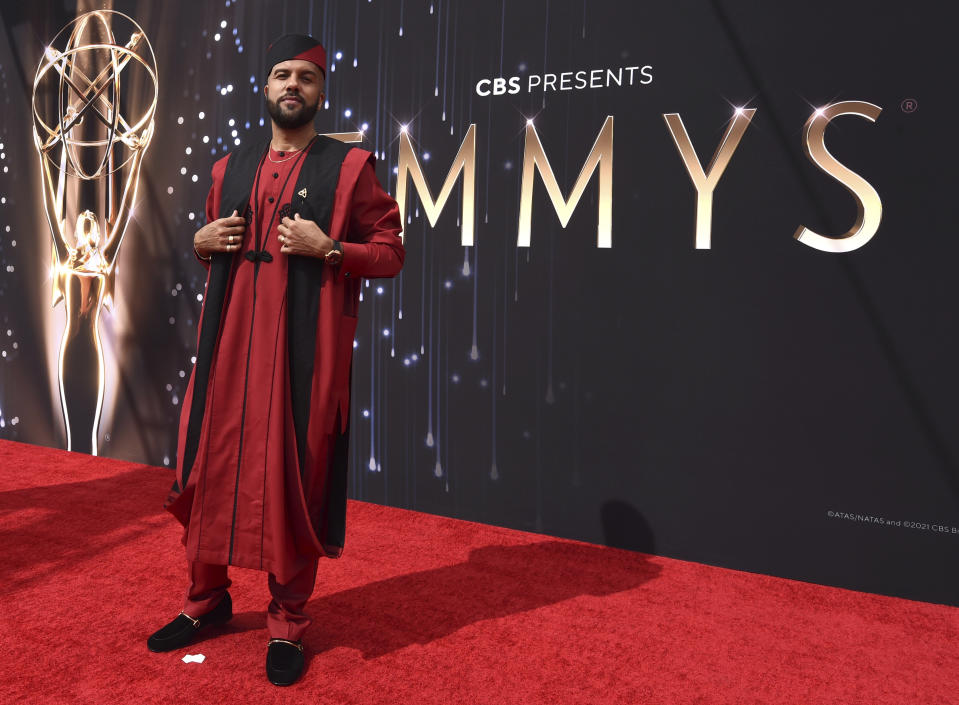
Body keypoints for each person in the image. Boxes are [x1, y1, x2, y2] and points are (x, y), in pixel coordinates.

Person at [147, 34, 404, 687]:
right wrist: (203, 243)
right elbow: (215, 240)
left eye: (307, 78)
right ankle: (205, 602)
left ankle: (287, 621)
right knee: (206, 469)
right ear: (264, 88)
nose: (294, 86)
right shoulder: (227, 167)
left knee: (294, 482)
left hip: (300, 362)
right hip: (227, 354)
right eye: (283, 75)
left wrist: (332, 247)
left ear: (321, 92)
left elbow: (391, 251)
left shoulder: (351, 168)